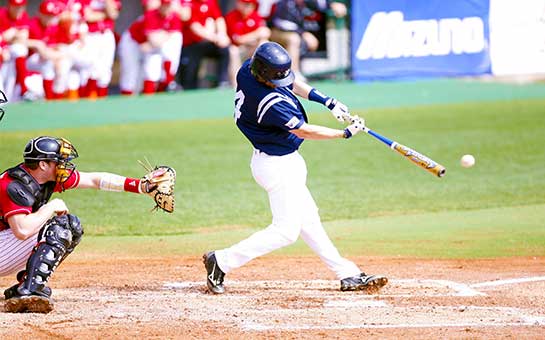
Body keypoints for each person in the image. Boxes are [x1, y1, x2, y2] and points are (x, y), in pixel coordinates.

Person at [203, 42, 388, 294]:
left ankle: (347, 274)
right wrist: (344, 133)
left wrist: (327, 101)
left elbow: (289, 82)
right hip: (276, 166)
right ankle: (221, 261)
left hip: (281, 161)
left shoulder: (249, 70)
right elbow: (303, 130)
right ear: (264, 74)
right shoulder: (268, 103)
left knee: (309, 220)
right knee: (286, 231)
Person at [0, 136, 171, 313]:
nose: (64, 165)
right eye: (58, 161)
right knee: (60, 228)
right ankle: (28, 291)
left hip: (4, 245)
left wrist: (141, 186)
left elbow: (95, 180)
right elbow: (22, 230)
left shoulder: (43, 177)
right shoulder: (13, 185)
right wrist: (51, 206)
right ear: (43, 164)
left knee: (71, 226)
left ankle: (26, 284)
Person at [177, 0, 231, 89]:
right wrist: (215, 38)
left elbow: (219, 19)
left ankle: (223, 82)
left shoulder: (211, 2)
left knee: (224, 49)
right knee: (189, 79)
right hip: (191, 45)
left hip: (208, 43)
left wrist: (223, 35)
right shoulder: (189, 3)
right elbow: (194, 27)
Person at [225, 0, 270, 87]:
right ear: (238, 3)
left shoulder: (255, 16)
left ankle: (264, 79)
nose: (247, 6)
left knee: (264, 43)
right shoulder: (232, 16)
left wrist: (255, 36)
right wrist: (256, 34)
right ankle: (236, 84)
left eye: (250, 4)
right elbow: (238, 40)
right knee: (233, 51)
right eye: (245, 3)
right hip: (239, 50)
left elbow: (266, 32)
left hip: (252, 49)